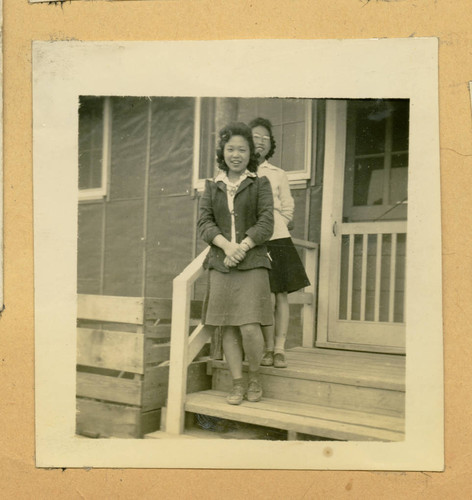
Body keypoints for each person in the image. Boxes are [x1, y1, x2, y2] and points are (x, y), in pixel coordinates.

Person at [198, 122, 274, 405]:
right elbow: (204, 223)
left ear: (250, 153)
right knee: (228, 327)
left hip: (252, 262)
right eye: (231, 148)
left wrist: (242, 247)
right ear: (223, 152)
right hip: (221, 263)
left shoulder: (260, 184)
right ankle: (237, 383)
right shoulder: (212, 186)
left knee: (250, 327)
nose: (236, 154)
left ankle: (255, 377)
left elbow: (266, 222)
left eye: (242, 149)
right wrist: (226, 246)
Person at [249, 117, 310, 369]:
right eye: (255, 138)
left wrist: (275, 224)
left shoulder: (278, 174)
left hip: (277, 238)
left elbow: (287, 208)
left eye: (265, 139)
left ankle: (280, 349)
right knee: (262, 296)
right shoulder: (239, 172)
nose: (260, 143)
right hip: (251, 241)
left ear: (270, 144)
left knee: (280, 294)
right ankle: (266, 348)